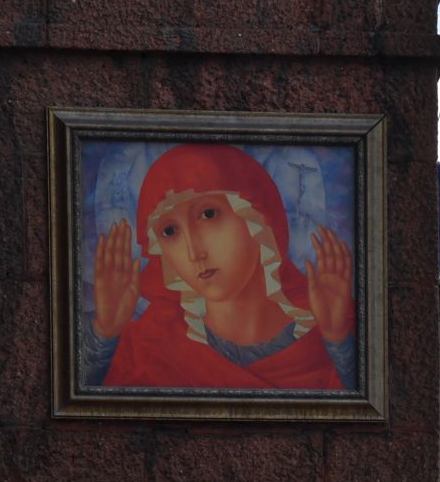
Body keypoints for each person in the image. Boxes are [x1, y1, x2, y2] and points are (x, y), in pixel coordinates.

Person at [88, 143, 357, 392]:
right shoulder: (150, 348)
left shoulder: (334, 334)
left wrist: (337, 340)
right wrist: (104, 334)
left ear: (259, 218)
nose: (194, 252)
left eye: (208, 214)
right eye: (169, 231)